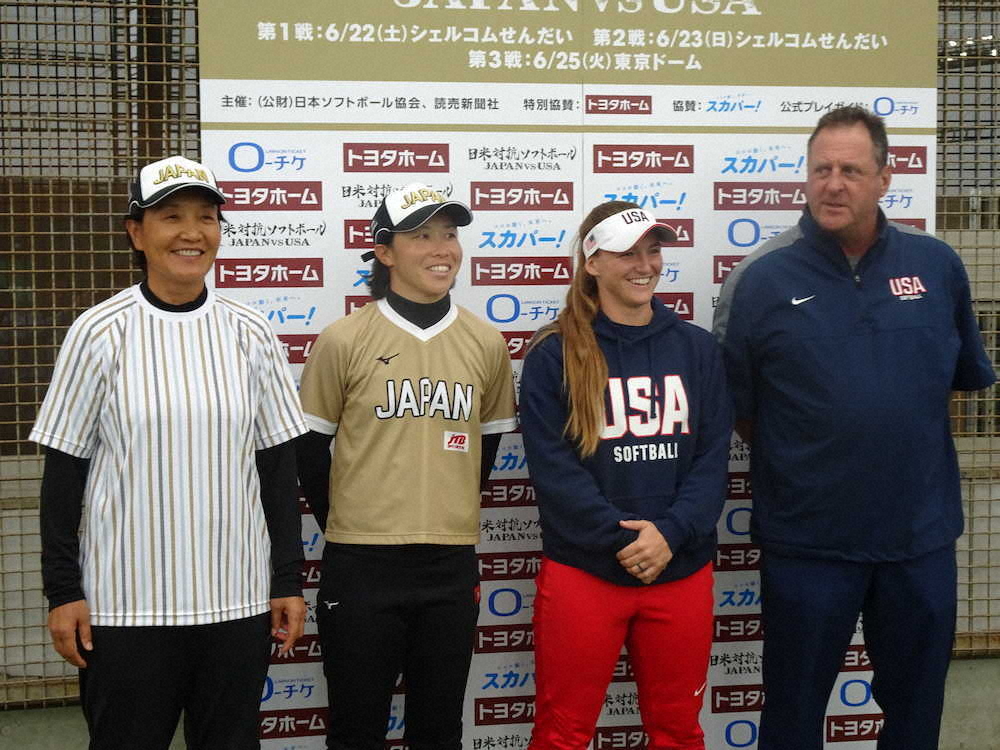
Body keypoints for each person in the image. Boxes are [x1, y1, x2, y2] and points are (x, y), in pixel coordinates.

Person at [713, 106, 996, 750]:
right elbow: (742, 410)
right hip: (809, 545)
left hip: (918, 541)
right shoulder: (759, 281)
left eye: (850, 170)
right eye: (821, 170)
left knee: (916, 712)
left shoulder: (936, 266)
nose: (833, 184)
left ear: (886, 177)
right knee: (792, 714)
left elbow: (948, 389)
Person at [31, 155, 308, 750]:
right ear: (137, 232)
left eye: (206, 217)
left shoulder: (250, 331)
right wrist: (64, 591)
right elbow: (64, 471)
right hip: (126, 606)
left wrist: (286, 579)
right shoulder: (98, 331)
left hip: (234, 599)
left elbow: (276, 470)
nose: (191, 232)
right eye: (171, 216)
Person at [295, 182, 518, 750]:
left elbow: (484, 451)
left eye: (449, 234)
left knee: (438, 729)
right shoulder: (343, 338)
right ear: (386, 252)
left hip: (449, 562)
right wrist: (351, 522)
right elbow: (308, 450)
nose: (442, 248)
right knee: (355, 728)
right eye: (422, 235)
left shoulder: (486, 341)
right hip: (361, 563)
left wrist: (447, 508)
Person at [519, 202, 732, 750]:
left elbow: (711, 461)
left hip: (680, 567)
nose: (644, 264)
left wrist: (670, 534)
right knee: (563, 732)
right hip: (585, 571)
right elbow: (554, 470)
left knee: (678, 731)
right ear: (592, 262)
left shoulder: (698, 350)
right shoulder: (553, 354)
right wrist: (624, 540)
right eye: (626, 252)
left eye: (653, 250)